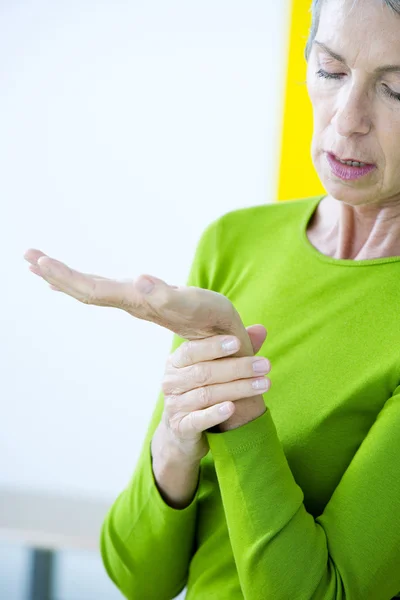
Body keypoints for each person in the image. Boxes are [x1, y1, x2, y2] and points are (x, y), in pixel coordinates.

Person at [23, 0, 400, 598]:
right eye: (331, 71)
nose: (347, 119)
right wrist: (175, 441)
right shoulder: (235, 240)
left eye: (396, 91)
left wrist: (239, 399)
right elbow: (137, 576)